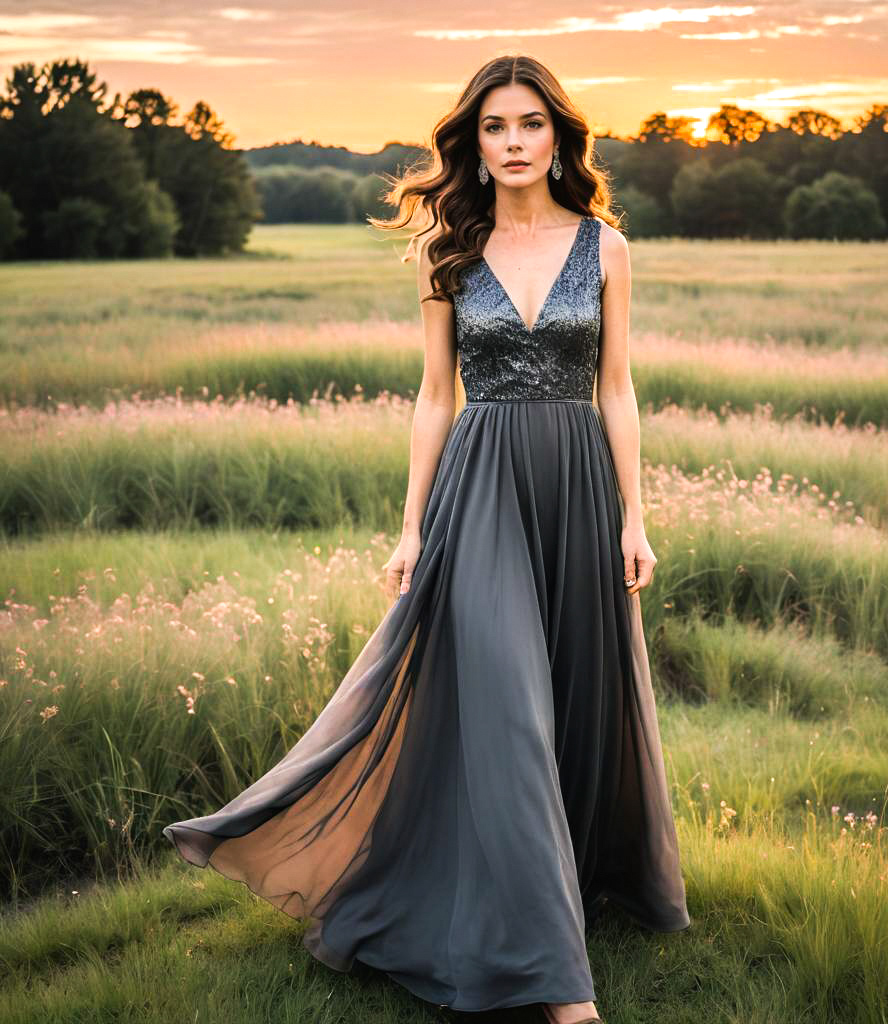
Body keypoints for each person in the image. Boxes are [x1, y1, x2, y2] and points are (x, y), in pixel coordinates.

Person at [163, 53, 691, 1023]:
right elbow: (435, 394)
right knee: (512, 712)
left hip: (575, 483)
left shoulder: (606, 247)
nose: (514, 142)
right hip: (479, 489)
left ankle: (566, 893)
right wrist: (410, 526)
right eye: (494, 127)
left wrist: (633, 512)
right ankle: (557, 984)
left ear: (558, 137)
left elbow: (615, 387)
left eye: (530, 124)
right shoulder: (447, 247)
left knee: (572, 693)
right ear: (472, 143)